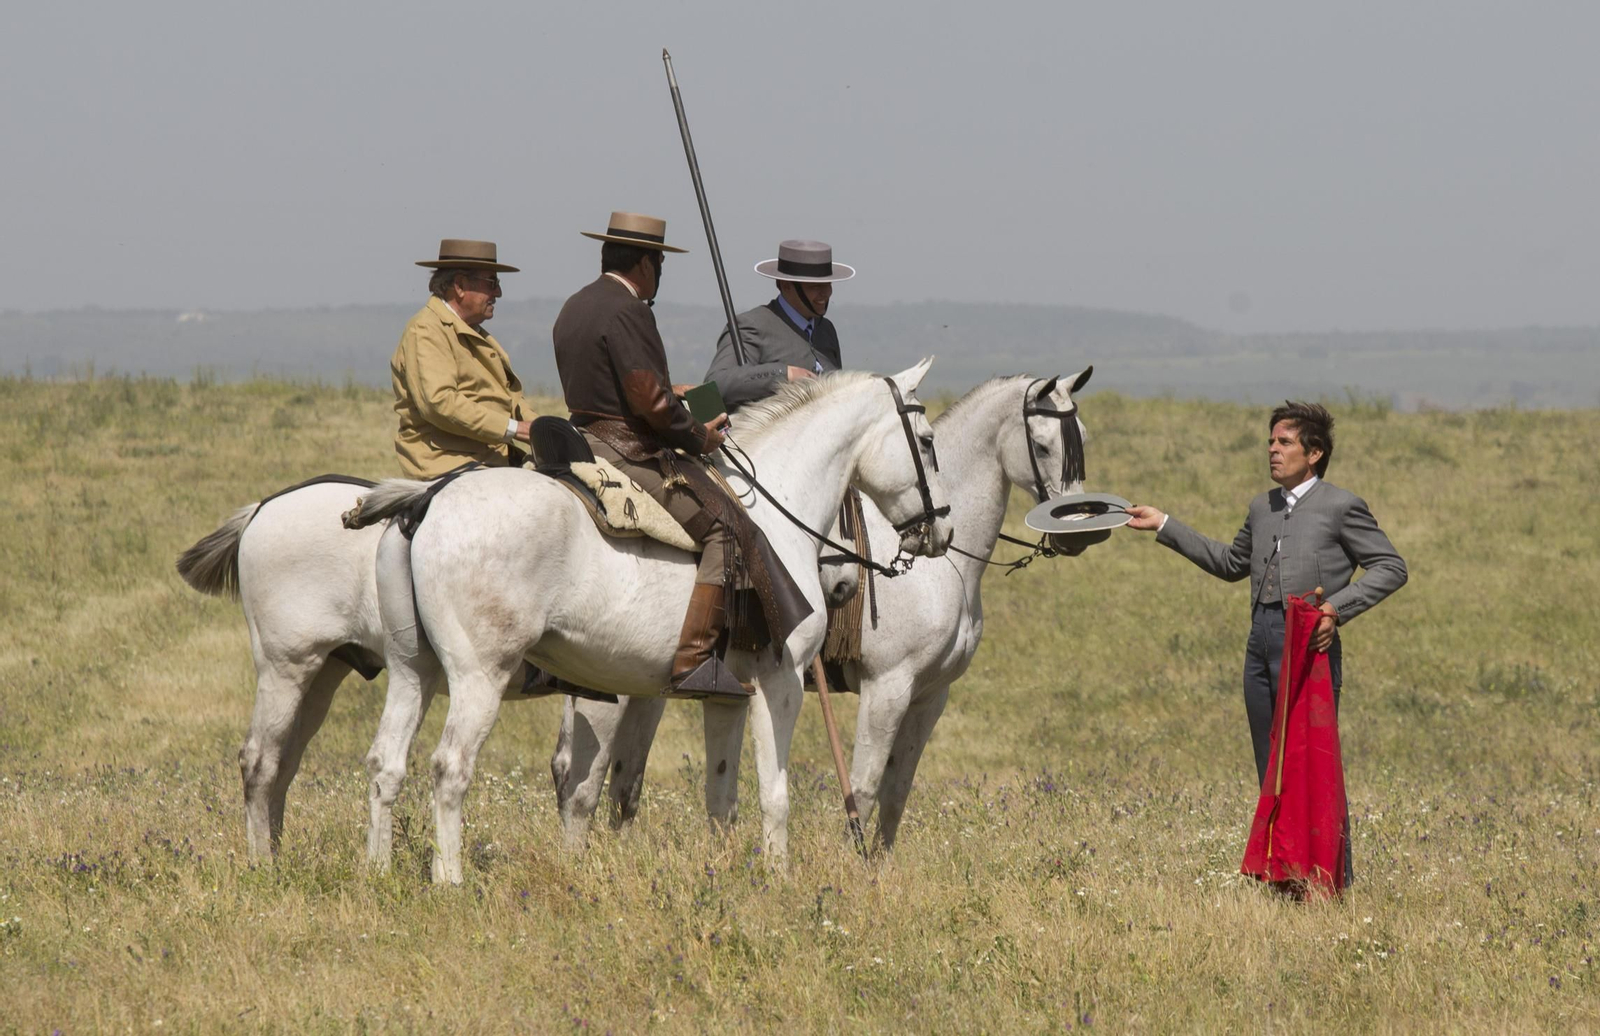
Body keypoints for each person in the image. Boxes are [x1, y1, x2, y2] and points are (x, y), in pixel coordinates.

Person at [1125, 401, 1407, 880]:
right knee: (1270, 763)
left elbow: (1391, 567)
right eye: (1271, 443)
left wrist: (1335, 611)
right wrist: (1165, 524)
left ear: (1314, 453)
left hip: (1308, 645)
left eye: (1285, 443)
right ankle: (1283, 874)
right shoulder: (1262, 506)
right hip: (1260, 641)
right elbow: (1232, 565)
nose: (1273, 451)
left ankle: (1333, 878)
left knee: (1313, 762)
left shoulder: (1341, 506)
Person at [552, 211, 749, 700]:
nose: (658, 274)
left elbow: (623, 387)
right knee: (726, 528)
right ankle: (694, 661)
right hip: (624, 451)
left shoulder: (575, 305)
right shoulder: (630, 309)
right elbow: (648, 405)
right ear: (644, 263)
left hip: (582, 439)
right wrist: (700, 437)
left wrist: (673, 389)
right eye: (658, 263)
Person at [391, 239, 534, 478]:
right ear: (459, 285)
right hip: (448, 465)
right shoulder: (426, 330)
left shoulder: (473, 332)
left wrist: (550, 431)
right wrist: (514, 429)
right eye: (492, 283)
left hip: (486, 462)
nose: (498, 292)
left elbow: (510, 401)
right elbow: (440, 403)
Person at [704, 240, 854, 411]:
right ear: (786, 285)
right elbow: (716, 384)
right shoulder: (751, 326)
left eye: (828, 284)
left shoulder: (826, 330)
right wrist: (784, 374)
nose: (826, 293)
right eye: (815, 286)